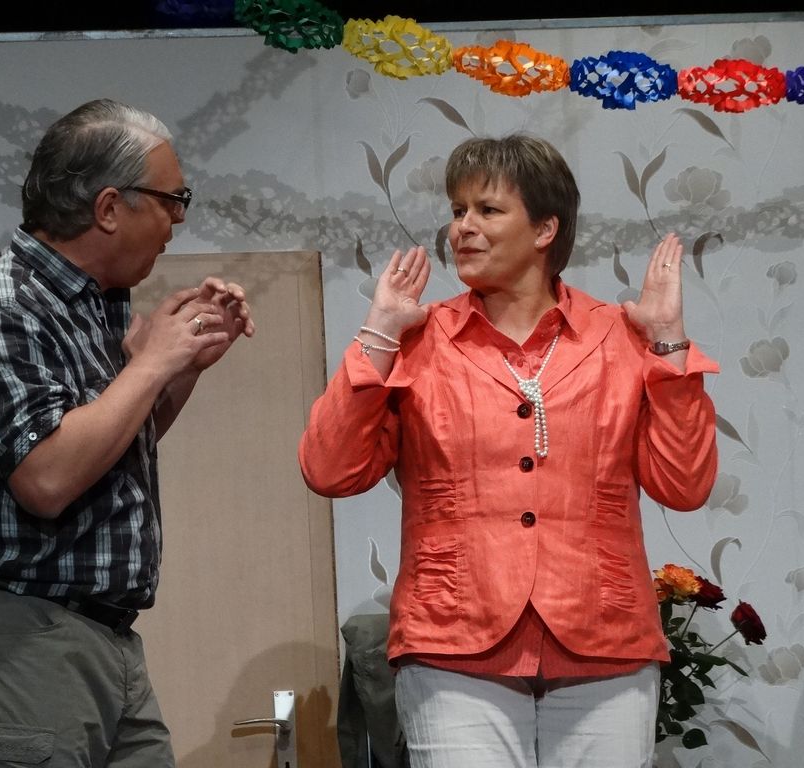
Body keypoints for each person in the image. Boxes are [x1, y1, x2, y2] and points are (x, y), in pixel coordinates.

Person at [299, 133, 719, 768]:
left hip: (605, 639)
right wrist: (379, 332)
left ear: (546, 229)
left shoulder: (618, 337)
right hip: (453, 638)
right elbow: (329, 470)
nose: (462, 227)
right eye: (457, 210)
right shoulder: (418, 338)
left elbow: (683, 486)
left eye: (487, 210)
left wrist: (668, 343)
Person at [0, 98, 254, 767]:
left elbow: (107, 451)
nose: (180, 219)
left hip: (105, 639)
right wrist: (150, 363)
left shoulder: (93, 307)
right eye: (172, 199)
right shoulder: (2, 308)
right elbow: (48, 477)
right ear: (108, 207)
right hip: (20, 640)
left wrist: (181, 368)